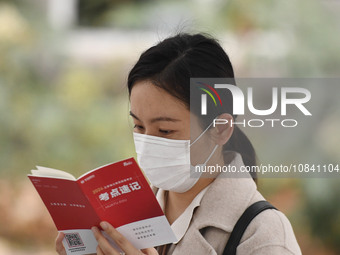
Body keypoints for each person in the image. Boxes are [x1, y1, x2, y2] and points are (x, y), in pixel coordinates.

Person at [56, 33, 302, 255]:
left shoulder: (263, 236)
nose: (148, 143)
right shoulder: (124, 215)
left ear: (221, 129)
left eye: (165, 130)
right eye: (139, 126)